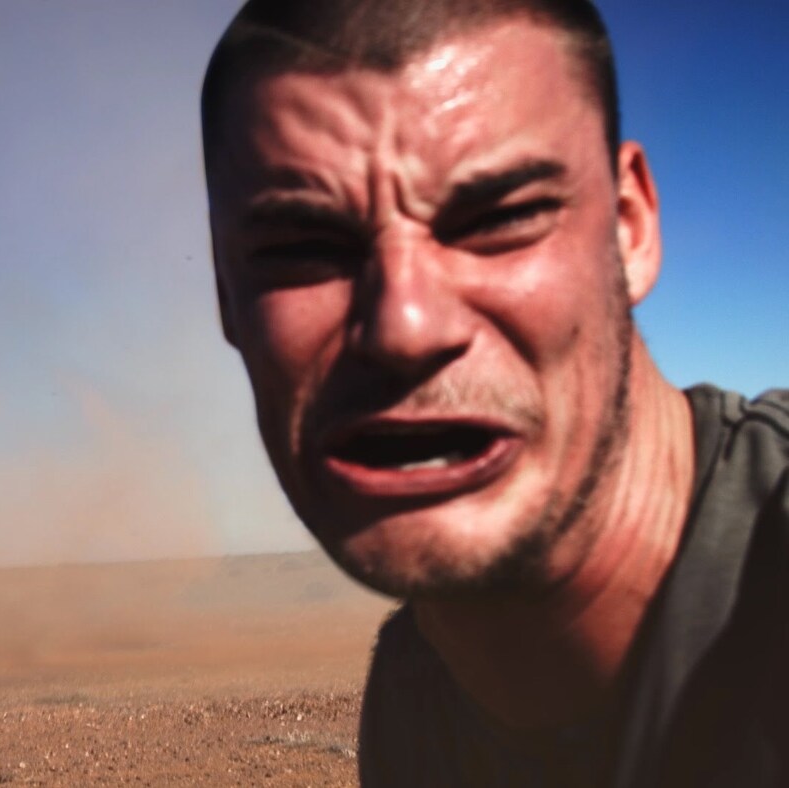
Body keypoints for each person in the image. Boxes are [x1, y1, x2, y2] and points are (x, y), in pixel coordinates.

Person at [199, 0, 789, 785]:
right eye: (305, 247)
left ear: (630, 228)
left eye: (501, 217)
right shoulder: (415, 696)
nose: (404, 325)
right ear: (226, 298)